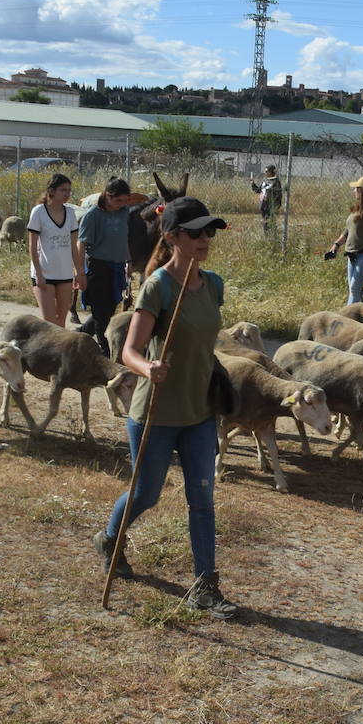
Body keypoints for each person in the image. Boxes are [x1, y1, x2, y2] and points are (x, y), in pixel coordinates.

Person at [96, 196, 236, 619]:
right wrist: (148, 368)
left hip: (199, 412)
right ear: (172, 237)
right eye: (195, 232)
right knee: (145, 494)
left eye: (209, 231)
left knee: (202, 499)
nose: (204, 239)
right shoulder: (158, 286)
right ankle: (108, 538)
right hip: (155, 413)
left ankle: (204, 586)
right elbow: (130, 352)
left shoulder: (213, 284)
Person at [75, 176, 149, 347]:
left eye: (125, 200)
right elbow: (81, 244)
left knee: (109, 308)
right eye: (118, 200)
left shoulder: (124, 213)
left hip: (117, 267)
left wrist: (128, 261)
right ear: (107, 196)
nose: (122, 203)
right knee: (101, 311)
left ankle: (82, 334)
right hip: (97, 266)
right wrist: (79, 272)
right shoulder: (92, 215)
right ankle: (103, 348)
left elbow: (123, 240)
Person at [26, 173, 85, 325]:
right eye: (63, 190)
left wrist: (78, 271)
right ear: (52, 191)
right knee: (49, 323)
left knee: (60, 324)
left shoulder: (71, 213)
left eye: (69, 190)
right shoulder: (38, 212)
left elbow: (73, 246)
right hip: (44, 273)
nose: (67, 194)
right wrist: (38, 273)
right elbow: (32, 246)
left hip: (64, 274)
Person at [325, 174, 363, 305]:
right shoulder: (357, 208)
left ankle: (347, 320)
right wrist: (336, 244)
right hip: (352, 255)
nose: (354, 191)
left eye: (356, 188)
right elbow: (347, 231)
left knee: (354, 289)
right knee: (355, 289)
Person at [249, 164, 282, 235]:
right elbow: (258, 190)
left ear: (272, 172)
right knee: (265, 221)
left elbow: (278, 195)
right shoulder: (265, 181)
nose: (265, 173)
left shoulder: (276, 182)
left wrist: (277, 205)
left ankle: (273, 235)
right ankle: (266, 235)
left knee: (271, 221)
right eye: (265, 171)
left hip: (271, 205)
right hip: (263, 205)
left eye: (267, 171)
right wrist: (252, 184)